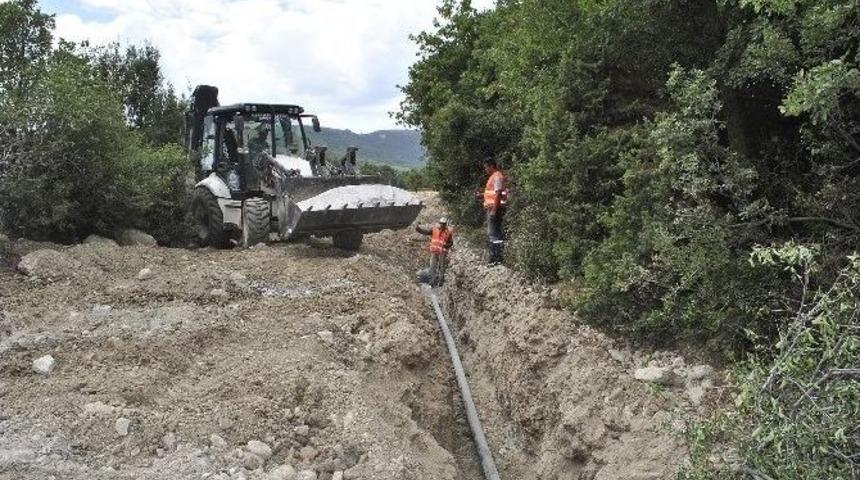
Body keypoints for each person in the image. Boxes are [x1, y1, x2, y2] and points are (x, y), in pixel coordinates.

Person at [481, 158, 508, 264]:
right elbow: (494, 193)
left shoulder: (497, 176)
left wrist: (493, 210)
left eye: (486, 167)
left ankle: (496, 258)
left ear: (491, 166)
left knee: (493, 233)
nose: (485, 169)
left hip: (494, 209)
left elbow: (498, 194)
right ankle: (496, 257)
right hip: (493, 207)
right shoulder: (495, 176)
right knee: (494, 233)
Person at [416, 217, 454, 286]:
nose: (442, 225)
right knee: (433, 266)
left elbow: (451, 242)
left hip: (442, 252)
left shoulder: (448, 232)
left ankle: (441, 281)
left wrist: (446, 246)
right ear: (439, 223)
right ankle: (433, 281)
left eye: (443, 224)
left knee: (441, 266)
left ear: (445, 225)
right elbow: (426, 232)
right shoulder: (435, 229)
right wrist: (418, 229)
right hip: (434, 251)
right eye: (441, 224)